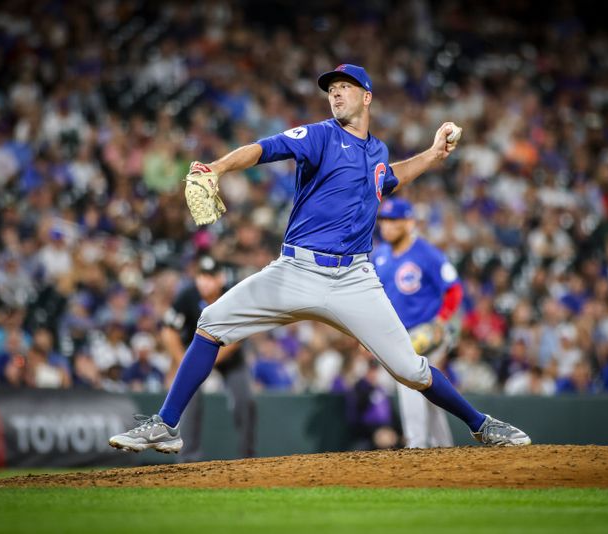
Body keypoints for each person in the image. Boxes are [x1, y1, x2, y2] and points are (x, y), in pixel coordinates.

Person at [109, 63, 530, 453]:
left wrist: (434, 154)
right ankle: (166, 424)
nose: (335, 94)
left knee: (411, 370)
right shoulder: (320, 136)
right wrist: (216, 167)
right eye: (331, 89)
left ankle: (481, 425)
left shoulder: (377, 153)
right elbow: (264, 148)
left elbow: (392, 175)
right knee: (210, 323)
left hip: (355, 280)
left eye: (345, 87)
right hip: (295, 270)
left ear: (367, 97)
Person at [373, 197, 463, 448]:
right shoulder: (379, 256)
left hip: (427, 332)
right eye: (384, 221)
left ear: (409, 222)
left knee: (408, 378)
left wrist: (441, 321)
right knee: (428, 389)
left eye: (393, 221)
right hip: (397, 335)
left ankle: (416, 444)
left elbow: (454, 290)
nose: (387, 226)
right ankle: (444, 447)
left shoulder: (427, 253)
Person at [161, 255, 255, 461]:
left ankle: (247, 457)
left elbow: (239, 338)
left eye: (210, 276)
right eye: (202, 275)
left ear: (221, 278)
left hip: (229, 358)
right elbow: (168, 332)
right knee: (188, 398)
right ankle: (188, 458)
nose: (205, 281)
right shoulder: (188, 295)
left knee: (245, 400)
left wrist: (207, 363)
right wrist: (185, 363)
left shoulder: (232, 294)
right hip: (195, 353)